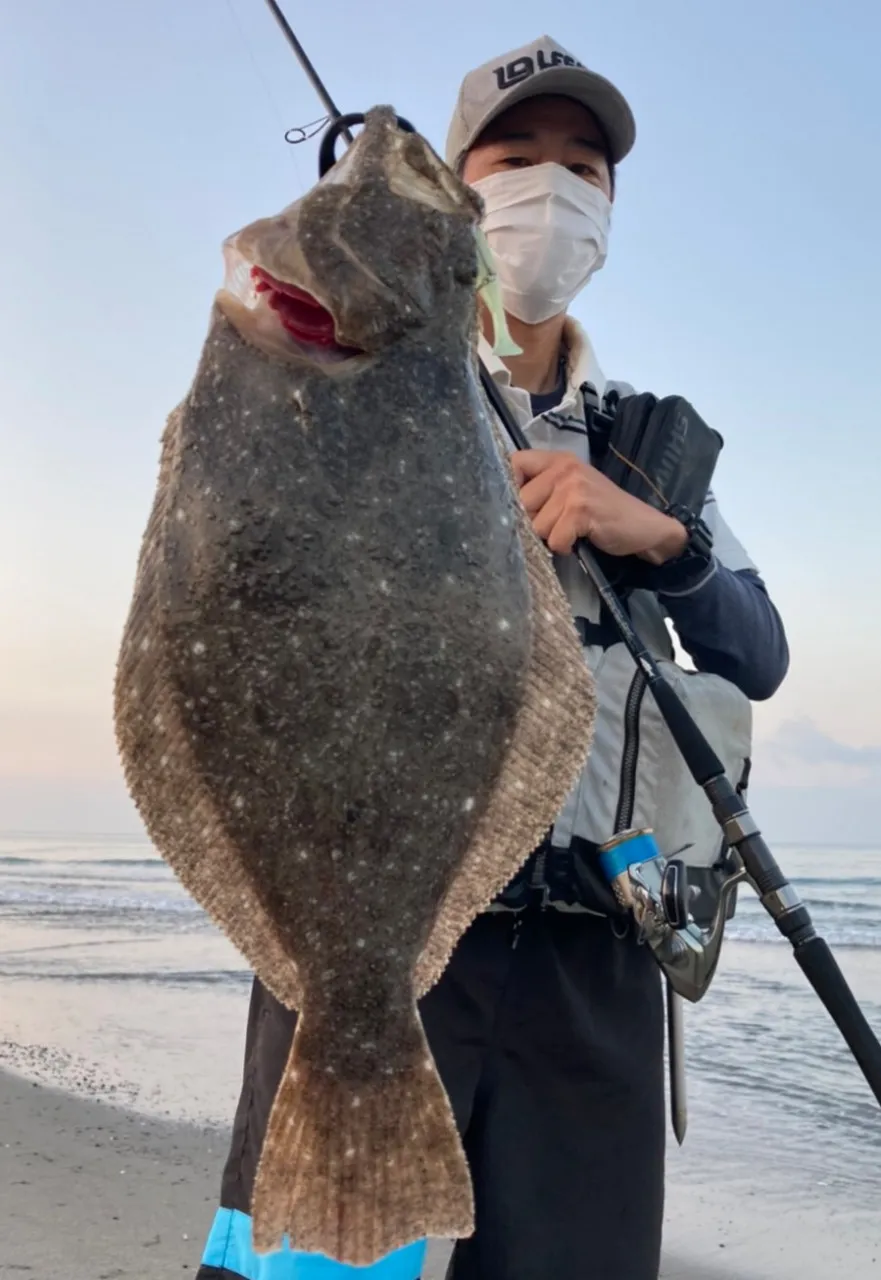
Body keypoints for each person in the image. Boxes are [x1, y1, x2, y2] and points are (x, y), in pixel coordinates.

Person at [195, 33, 789, 1280]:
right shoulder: (345, 378)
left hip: (596, 956)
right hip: (383, 925)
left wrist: (657, 540)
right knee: (312, 1261)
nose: (552, 190)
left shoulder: (644, 446)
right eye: (518, 158)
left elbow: (758, 650)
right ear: (461, 196)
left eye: (584, 167)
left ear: (611, 208)